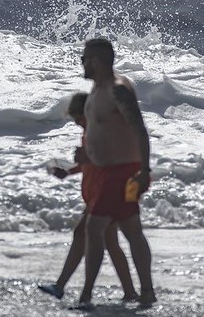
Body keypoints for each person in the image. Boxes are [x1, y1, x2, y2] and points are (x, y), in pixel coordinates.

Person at [76, 38, 156, 311]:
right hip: (108, 171)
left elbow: (139, 130)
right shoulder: (97, 89)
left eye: (84, 58)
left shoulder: (118, 90)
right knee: (132, 229)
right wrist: (88, 158)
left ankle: (86, 296)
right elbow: (105, 132)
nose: (81, 62)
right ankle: (147, 293)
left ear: (96, 61)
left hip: (122, 173)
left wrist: (144, 170)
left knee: (94, 227)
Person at [38, 93, 137, 302]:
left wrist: (85, 159)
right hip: (98, 194)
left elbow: (107, 159)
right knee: (111, 243)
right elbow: (91, 162)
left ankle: (63, 286)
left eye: (80, 119)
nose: (78, 124)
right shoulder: (89, 131)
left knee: (81, 234)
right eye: (75, 121)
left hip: (106, 193)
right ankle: (130, 292)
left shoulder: (99, 131)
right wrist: (69, 171)